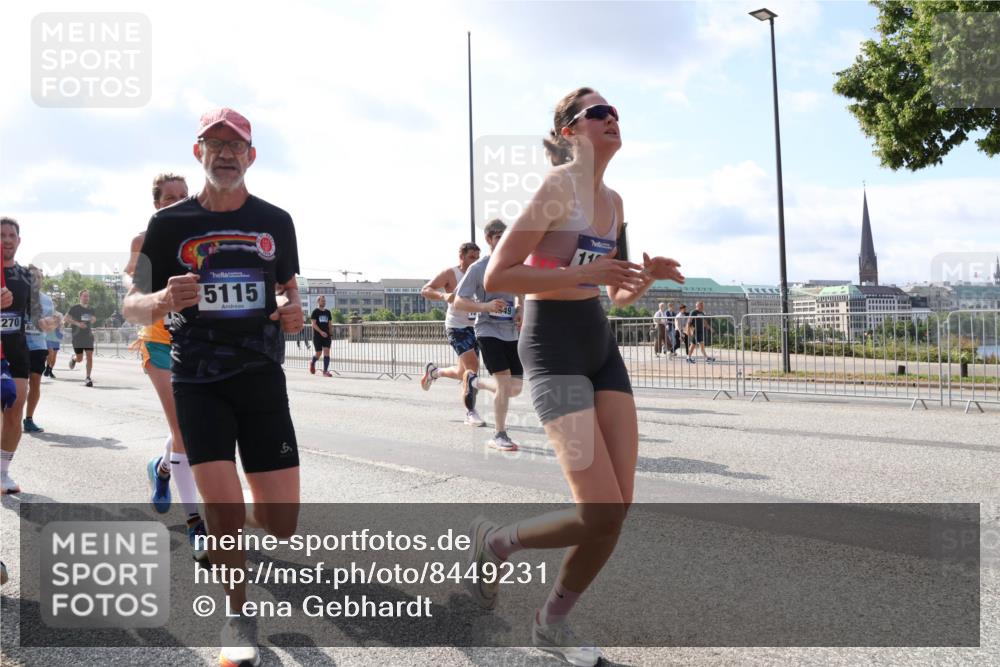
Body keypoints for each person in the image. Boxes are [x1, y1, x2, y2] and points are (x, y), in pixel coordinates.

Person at [470, 87, 684, 665]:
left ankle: (552, 623)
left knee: (618, 509)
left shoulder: (614, 202)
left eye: (616, 111)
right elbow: (498, 276)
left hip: (598, 346)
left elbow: (615, 293)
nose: (613, 118)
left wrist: (646, 278)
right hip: (551, 347)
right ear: (569, 131)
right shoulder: (555, 189)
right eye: (599, 113)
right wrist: (581, 271)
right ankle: (497, 543)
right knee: (599, 511)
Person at [124, 107, 303, 667]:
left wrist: (293, 311)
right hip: (198, 380)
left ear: (252, 155)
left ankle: (225, 506)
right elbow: (131, 305)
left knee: (281, 524)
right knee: (223, 514)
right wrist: (160, 300)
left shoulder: (276, 221)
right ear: (198, 152)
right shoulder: (168, 225)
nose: (225, 153)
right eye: (214, 144)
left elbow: (289, 289)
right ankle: (238, 616)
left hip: (261, 377)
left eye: (236, 145)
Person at [124, 171, 208, 561]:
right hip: (158, 342)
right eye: (169, 198)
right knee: (185, 431)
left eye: (183, 196)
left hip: (197, 342)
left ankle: (161, 468)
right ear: (156, 204)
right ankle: (195, 524)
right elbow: (137, 293)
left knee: (191, 428)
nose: (177, 202)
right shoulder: (144, 240)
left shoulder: (207, 239)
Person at [455, 219, 523, 451]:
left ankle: (474, 381)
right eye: (498, 237)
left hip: (510, 331)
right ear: (488, 239)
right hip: (487, 330)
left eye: (507, 237)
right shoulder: (478, 268)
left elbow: (521, 292)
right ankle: (499, 435)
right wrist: (485, 306)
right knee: (503, 384)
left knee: (515, 388)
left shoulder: (513, 265)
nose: (503, 241)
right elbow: (458, 301)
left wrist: (520, 309)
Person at [1, 217, 48, 494]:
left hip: (17, 353)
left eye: (11, 235)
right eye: (2, 235)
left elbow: (35, 315)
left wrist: (48, 322)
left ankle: (3, 473)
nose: (6, 240)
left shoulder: (26, 277)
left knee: (14, 410)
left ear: (19, 241)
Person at [419, 242, 487, 427]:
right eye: (471, 257)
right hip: (456, 327)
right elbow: (425, 290)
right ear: (461, 256)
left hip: (475, 327)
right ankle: (470, 412)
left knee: (462, 372)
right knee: (473, 366)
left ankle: (435, 372)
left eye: (477, 258)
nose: (475, 261)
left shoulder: (480, 273)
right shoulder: (451, 273)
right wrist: (443, 296)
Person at [22, 266, 60, 433]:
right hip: (19, 345)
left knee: (35, 383)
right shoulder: (19, 294)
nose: (36, 280)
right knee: (20, 385)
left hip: (38, 345)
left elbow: (49, 325)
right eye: (32, 276)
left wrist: (55, 322)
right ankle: (11, 416)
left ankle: (29, 419)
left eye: (39, 277)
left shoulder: (47, 300)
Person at [65, 289, 96, 386]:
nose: (86, 298)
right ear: (80, 297)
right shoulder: (74, 308)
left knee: (89, 356)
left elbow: (93, 319)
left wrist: (92, 319)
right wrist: (77, 324)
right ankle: (74, 359)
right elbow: (66, 318)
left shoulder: (91, 309)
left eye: (88, 296)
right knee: (80, 358)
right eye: (84, 296)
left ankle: (88, 377)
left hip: (88, 336)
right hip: (77, 336)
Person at [308, 295, 333, 377]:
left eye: (324, 301)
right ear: (318, 301)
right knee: (318, 353)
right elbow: (313, 324)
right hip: (317, 336)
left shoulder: (328, 312)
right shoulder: (315, 312)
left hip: (327, 336)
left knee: (327, 352)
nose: (324, 302)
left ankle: (325, 371)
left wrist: (330, 333)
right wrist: (321, 332)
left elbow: (330, 324)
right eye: (322, 301)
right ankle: (312, 362)